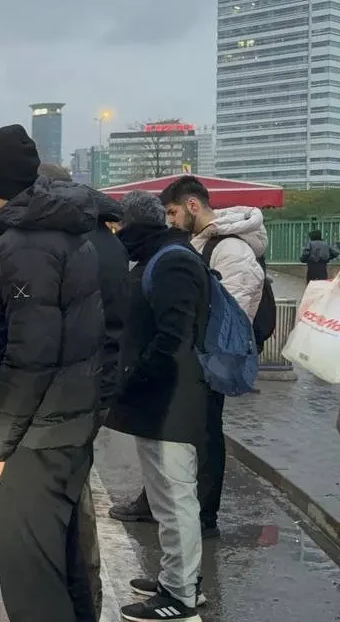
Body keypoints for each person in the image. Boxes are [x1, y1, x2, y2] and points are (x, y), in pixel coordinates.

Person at [0, 124, 103, 622]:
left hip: (31, 444)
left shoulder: (26, 247)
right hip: (64, 430)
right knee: (65, 572)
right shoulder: (63, 235)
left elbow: (30, 357)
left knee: (33, 592)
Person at [113, 175, 268, 537]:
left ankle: (202, 516)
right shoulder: (199, 242)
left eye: (172, 212)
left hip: (208, 358)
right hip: (192, 356)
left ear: (192, 205)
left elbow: (231, 310)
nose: (168, 220)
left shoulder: (230, 249)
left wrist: (204, 355)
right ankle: (159, 503)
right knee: (174, 440)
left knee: (205, 436)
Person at [105, 191, 209, 622]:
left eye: (120, 226)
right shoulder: (161, 256)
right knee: (167, 498)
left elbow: (173, 338)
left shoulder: (171, 262)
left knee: (173, 497)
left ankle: (180, 595)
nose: (117, 234)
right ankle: (178, 578)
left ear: (134, 225)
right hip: (162, 399)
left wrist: (138, 377)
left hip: (170, 401)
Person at [38, 163, 130, 620]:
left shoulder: (74, 244)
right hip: (97, 383)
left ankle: (79, 599)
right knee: (76, 494)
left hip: (75, 389)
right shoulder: (104, 239)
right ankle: (84, 598)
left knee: (68, 505)